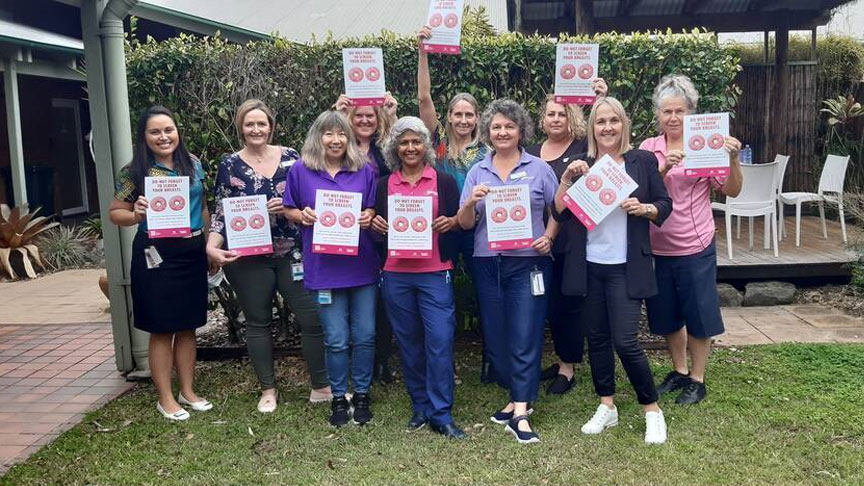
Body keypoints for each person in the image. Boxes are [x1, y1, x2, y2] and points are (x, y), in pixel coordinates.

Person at [552, 97, 672, 444]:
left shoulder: (642, 161)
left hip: (625, 266)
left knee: (626, 341)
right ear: (592, 128)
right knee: (598, 340)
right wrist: (565, 180)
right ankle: (607, 405)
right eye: (600, 121)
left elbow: (665, 205)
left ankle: (652, 409)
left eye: (613, 121)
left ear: (624, 124)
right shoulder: (581, 164)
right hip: (589, 265)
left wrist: (645, 207)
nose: (607, 128)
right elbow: (560, 212)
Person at [205, 99, 330, 413]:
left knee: (312, 319)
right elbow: (221, 211)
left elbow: (310, 201)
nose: (256, 129)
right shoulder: (229, 164)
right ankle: (268, 391)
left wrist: (291, 210)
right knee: (258, 323)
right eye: (250, 124)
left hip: (294, 253)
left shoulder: (291, 158)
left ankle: (320, 385)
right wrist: (211, 245)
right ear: (241, 128)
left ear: (271, 127)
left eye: (262, 123)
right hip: (249, 258)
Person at [457, 99, 558, 444]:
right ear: (488, 132)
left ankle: (520, 413)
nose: (502, 132)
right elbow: (465, 223)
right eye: (496, 127)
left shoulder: (539, 168)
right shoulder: (476, 172)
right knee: (499, 339)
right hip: (488, 264)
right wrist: (470, 202)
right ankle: (517, 396)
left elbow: (558, 208)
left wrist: (548, 236)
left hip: (528, 263)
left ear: (520, 131)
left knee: (526, 333)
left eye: (509, 126)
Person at [640, 75, 742, 404]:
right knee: (667, 314)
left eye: (679, 111)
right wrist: (663, 171)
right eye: (666, 111)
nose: (672, 118)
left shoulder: (705, 145)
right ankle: (680, 370)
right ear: (657, 114)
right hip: (656, 245)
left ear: (691, 112)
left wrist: (733, 159)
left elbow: (731, 191)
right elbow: (639, 192)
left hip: (694, 244)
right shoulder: (647, 149)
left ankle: (698, 378)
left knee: (699, 314)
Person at [109, 106, 211, 421]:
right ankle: (165, 397)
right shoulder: (134, 172)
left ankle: (188, 390)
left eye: (168, 129)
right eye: (155, 131)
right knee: (162, 326)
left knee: (188, 323)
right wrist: (137, 214)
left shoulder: (193, 165)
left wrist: (208, 246)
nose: (163, 137)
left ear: (177, 131)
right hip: (156, 252)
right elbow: (116, 213)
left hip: (192, 249)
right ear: (144, 137)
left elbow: (204, 207)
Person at [282, 110, 379, 427]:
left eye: (341, 133)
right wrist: (302, 216)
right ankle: (339, 396)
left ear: (349, 138)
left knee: (364, 335)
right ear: (317, 137)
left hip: (362, 265)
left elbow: (372, 206)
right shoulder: (300, 170)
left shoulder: (363, 170)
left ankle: (361, 393)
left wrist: (368, 216)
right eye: (328, 133)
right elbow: (288, 209)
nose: (335, 140)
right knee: (336, 338)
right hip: (323, 268)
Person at [371, 116, 466, 439]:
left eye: (416, 141)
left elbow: (458, 222)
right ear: (394, 147)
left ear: (426, 145)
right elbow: (375, 222)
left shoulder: (443, 182)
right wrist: (376, 226)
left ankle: (441, 412)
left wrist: (450, 223)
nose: (410, 148)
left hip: (435, 271)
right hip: (396, 273)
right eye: (404, 142)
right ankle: (420, 406)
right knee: (409, 343)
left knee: (439, 340)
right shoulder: (385, 183)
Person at [416, 25, 493, 382]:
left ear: (477, 119)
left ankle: (491, 362)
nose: (463, 120)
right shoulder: (437, 143)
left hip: (479, 232)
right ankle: (448, 365)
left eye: (469, 115)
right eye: (457, 114)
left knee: (483, 296)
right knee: (445, 302)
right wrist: (423, 52)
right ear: (449, 117)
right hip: (444, 229)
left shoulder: (487, 153)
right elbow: (423, 100)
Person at [525, 85, 607, 395]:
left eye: (561, 114)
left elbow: (606, 132)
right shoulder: (530, 152)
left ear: (571, 117)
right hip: (536, 244)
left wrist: (598, 98)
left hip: (572, 241)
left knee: (568, 304)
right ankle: (560, 360)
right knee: (546, 305)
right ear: (542, 119)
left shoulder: (584, 149)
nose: (555, 119)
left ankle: (568, 368)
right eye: (550, 114)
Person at [335, 92, 398, 383]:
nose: (363, 120)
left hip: (380, 234)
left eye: (370, 116)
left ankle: (380, 361)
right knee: (347, 298)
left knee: (380, 301)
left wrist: (393, 115)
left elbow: (402, 163)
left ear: (377, 120)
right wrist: (336, 113)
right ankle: (352, 359)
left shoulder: (381, 151)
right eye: (358, 115)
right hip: (343, 233)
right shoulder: (336, 149)